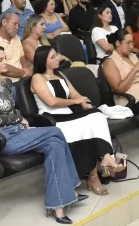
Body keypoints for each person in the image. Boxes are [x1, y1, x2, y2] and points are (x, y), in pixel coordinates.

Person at [0, 46, 85, 223]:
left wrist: (19, 120)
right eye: (0, 60)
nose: (6, 63)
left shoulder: (6, 83)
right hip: (2, 137)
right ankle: (70, 189)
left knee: (54, 145)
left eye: (5, 58)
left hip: (18, 132)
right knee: (56, 131)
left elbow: (13, 110)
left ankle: (58, 206)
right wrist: (19, 119)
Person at [31, 46, 125, 195]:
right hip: (52, 119)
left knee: (97, 115)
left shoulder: (60, 74)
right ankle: (94, 176)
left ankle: (107, 157)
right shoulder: (37, 77)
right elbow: (51, 102)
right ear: (43, 61)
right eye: (53, 57)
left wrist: (83, 103)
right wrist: (75, 101)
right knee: (89, 129)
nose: (58, 58)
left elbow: (75, 94)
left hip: (69, 114)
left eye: (56, 55)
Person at [0, 12, 32, 78]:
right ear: (4, 22)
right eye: (15, 24)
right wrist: (23, 73)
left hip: (23, 78)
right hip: (6, 81)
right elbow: (2, 68)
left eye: (18, 25)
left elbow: (23, 61)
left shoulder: (17, 38)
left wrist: (29, 70)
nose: (17, 28)